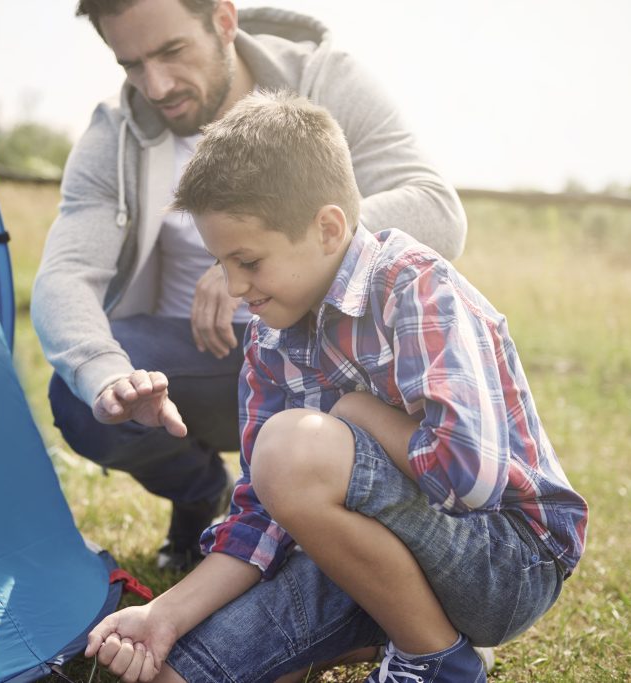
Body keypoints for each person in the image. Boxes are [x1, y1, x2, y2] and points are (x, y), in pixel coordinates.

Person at [81, 91, 589, 683]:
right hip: (368, 560)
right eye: (221, 264)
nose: (234, 286)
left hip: (506, 561)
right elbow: (262, 518)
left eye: (247, 261)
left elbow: (470, 479)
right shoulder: (270, 340)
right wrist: (164, 615)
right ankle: (386, 630)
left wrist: (358, 414)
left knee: (294, 446)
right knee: (175, 675)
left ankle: (436, 660)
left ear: (328, 228)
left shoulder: (415, 289)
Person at [32, 0, 468, 571]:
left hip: (336, 361)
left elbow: (437, 210)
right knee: (84, 397)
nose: (156, 86)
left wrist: (256, 257)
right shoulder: (113, 136)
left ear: (224, 21)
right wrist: (105, 372)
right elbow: (64, 275)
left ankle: (358, 536)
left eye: (171, 52)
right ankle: (200, 494)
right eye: (131, 64)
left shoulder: (325, 78)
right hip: (204, 361)